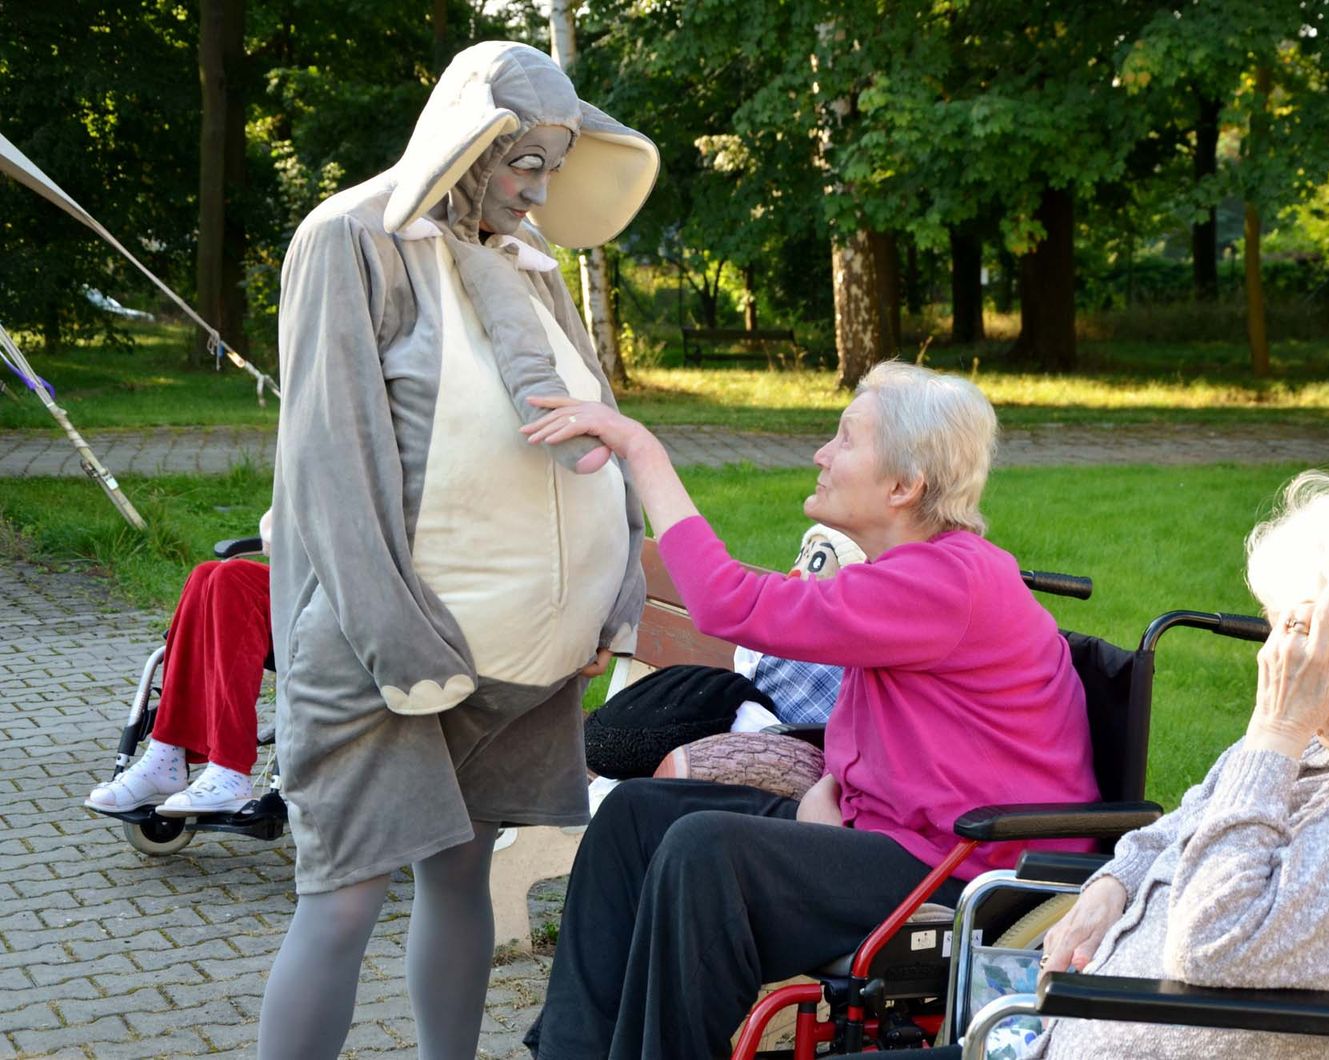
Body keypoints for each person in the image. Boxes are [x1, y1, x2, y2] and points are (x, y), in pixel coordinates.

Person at [520, 360, 1102, 1060]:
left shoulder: (942, 582)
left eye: (846, 439)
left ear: (903, 486)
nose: (822, 454)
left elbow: (726, 603)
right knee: (634, 817)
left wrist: (641, 450)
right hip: (906, 840)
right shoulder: (915, 576)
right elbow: (909, 736)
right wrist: (834, 790)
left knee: (707, 853)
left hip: (970, 872)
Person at [257, 42, 657, 1060]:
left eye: (553, 166)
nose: (538, 189)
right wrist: (395, 637)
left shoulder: (526, 259)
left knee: (463, 870)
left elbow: (596, 419)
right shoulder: (353, 238)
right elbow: (329, 456)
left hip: (521, 657)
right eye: (523, 161)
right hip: (384, 646)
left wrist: (615, 590)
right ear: (470, 136)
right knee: (345, 896)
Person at [841, 471, 1329, 1060]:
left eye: (1291, 629)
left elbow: (1215, 941)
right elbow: (1188, 820)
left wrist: (1275, 734)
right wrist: (1114, 884)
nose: (1272, 650)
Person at [85, 511, 274, 816]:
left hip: (340, 597)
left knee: (233, 577)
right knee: (205, 574)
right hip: (308, 578)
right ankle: (167, 753)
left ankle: (231, 770)